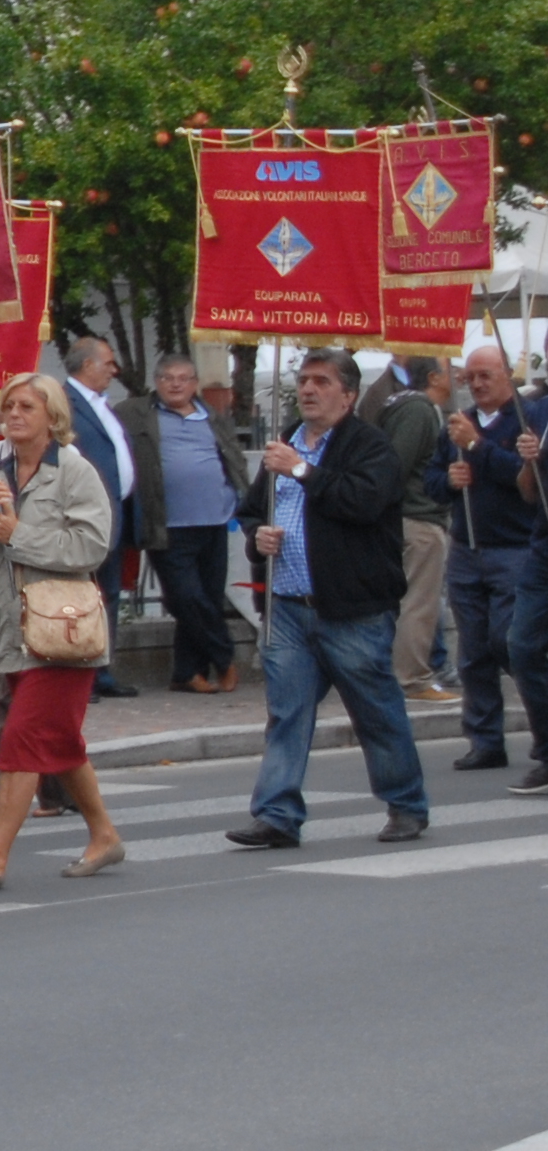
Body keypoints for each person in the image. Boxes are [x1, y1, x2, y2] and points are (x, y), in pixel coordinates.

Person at [228, 349, 433, 851]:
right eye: (303, 380)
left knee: (376, 710)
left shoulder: (370, 446)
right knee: (288, 712)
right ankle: (276, 813)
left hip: (353, 609)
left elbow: (363, 502)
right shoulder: (286, 445)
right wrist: (259, 538)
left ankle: (405, 804)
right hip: (290, 605)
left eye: (321, 381)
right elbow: (251, 512)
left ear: (348, 394)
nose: (308, 390)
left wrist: (302, 472)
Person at [0, 377, 129, 888]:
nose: (14, 414)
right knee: (63, 743)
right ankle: (104, 835)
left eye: (27, 406)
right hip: (12, 629)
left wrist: (20, 536)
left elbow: (92, 547)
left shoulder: (74, 471)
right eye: (8, 406)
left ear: (52, 416)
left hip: (63, 631)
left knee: (22, 742)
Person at [433, 345, 544, 771]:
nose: (477, 384)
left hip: (515, 548)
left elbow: (524, 479)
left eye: (486, 375)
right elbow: (430, 481)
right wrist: (447, 479)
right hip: (467, 547)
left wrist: (478, 447)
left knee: (510, 641)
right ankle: (485, 739)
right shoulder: (457, 425)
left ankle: (541, 729)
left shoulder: (526, 418)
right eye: (471, 377)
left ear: (508, 376)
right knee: (473, 651)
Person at [129, 356, 252, 694]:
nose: (176, 384)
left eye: (183, 378)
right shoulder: (140, 416)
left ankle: (187, 673)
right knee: (187, 597)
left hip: (214, 520)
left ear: (195, 383)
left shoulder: (212, 418)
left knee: (208, 598)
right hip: (168, 525)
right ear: (158, 382)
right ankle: (225, 657)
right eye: (168, 378)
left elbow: (233, 458)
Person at [61, 339, 158, 701]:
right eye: (108, 363)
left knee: (108, 597)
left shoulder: (102, 405)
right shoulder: (64, 403)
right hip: (84, 520)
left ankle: (101, 670)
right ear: (87, 365)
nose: (114, 370)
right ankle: (79, 675)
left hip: (113, 518)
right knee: (81, 598)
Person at [370, 355, 455, 703]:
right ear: (434, 377)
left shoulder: (400, 404)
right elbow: (396, 465)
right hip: (417, 519)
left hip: (406, 519)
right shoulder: (419, 411)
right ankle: (413, 678)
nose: (459, 377)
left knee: (406, 602)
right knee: (419, 603)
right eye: (451, 370)